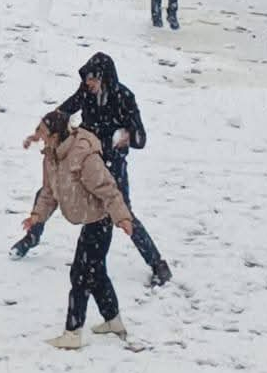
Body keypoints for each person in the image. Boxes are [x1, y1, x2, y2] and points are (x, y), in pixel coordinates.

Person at [11, 53, 171, 286]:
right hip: (80, 157)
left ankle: (157, 264)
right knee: (48, 193)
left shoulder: (124, 97)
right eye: (87, 81)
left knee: (123, 210)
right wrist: (39, 133)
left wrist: (127, 136)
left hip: (109, 163)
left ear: (105, 78)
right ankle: (31, 237)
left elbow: (141, 138)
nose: (89, 86)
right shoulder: (85, 91)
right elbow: (62, 113)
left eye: (93, 81)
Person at [22, 109, 136, 350]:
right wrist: (36, 216)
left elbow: (108, 188)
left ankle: (73, 332)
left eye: (43, 131)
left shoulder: (82, 155)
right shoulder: (52, 156)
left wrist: (122, 218)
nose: (39, 135)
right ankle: (113, 321)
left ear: (55, 134)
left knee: (81, 274)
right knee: (96, 273)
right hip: (89, 220)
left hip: (102, 220)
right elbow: (49, 192)